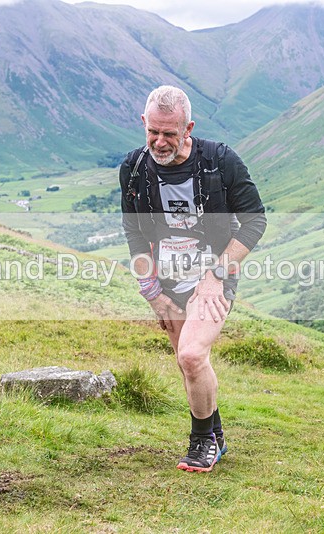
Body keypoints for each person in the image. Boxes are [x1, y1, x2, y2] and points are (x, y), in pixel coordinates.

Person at [120, 85, 267, 472]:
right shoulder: (134, 168)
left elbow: (255, 221)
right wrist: (152, 293)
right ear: (143, 123)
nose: (160, 141)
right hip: (167, 281)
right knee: (189, 365)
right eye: (153, 131)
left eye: (170, 133)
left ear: (189, 127)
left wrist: (216, 276)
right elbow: (134, 234)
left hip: (215, 275)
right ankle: (215, 434)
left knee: (191, 354)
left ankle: (201, 441)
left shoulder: (219, 161)